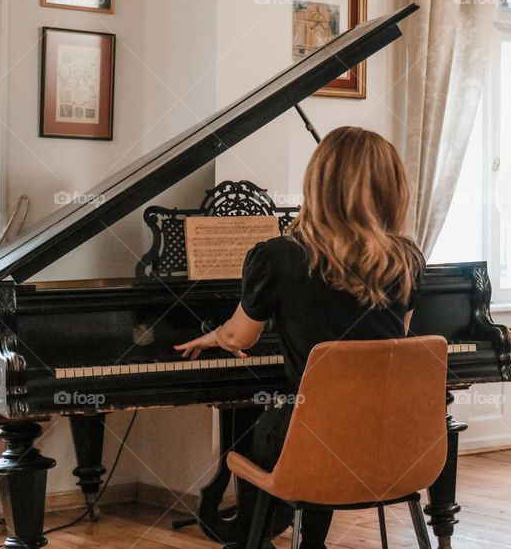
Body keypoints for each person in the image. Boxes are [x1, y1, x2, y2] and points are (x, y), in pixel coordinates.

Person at [175, 126, 425, 549]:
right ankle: (312, 543)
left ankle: (250, 541)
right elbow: (391, 347)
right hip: (391, 439)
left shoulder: (277, 256)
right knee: (323, 417)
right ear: (391, 189)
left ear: (317, 184)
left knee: (269, 431)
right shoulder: (408, 259)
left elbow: (241, 338)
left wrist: (217, 335)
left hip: (313, 435)